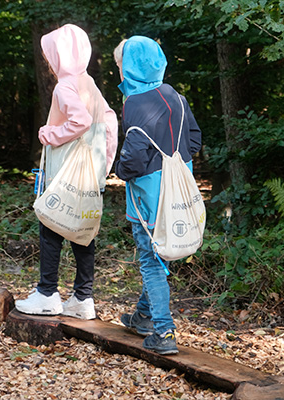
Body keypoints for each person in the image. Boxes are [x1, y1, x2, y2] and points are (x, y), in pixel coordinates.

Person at [15, 24, 118, 320]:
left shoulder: (65, 86)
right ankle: (82, 299)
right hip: (90, 176)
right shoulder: (89, 83)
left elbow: (80, 121)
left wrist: (49, 134)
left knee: (50, 227)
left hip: (65, 175)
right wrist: (103, 168)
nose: (48, 60)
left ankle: (47, 294)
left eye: (50, 54)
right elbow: (109, 125)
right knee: (83, 233)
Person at [114, 36, 202, 354]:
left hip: (149, 196)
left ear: (131, 68)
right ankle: (143, 318)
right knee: (157, 255)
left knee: (151, 261)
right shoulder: (175, 96)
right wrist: (175, 160)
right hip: (178, 192)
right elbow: (194, 139)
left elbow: (135, 155)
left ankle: (164, 332)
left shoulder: (135, 102)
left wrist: (121, 172)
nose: (119, 72)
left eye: (121, 66)